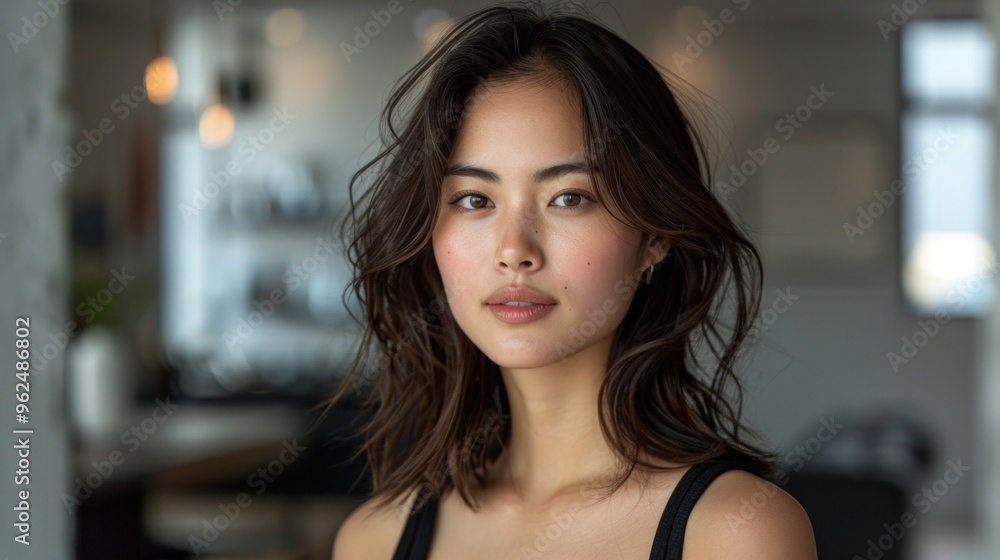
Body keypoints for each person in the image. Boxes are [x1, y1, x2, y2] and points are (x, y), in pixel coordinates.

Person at [328, 2, 817, 558]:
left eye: (569, 198)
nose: (515, 251)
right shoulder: (373, 540)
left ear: (654, 237)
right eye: (473, 199)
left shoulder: (735, 531)